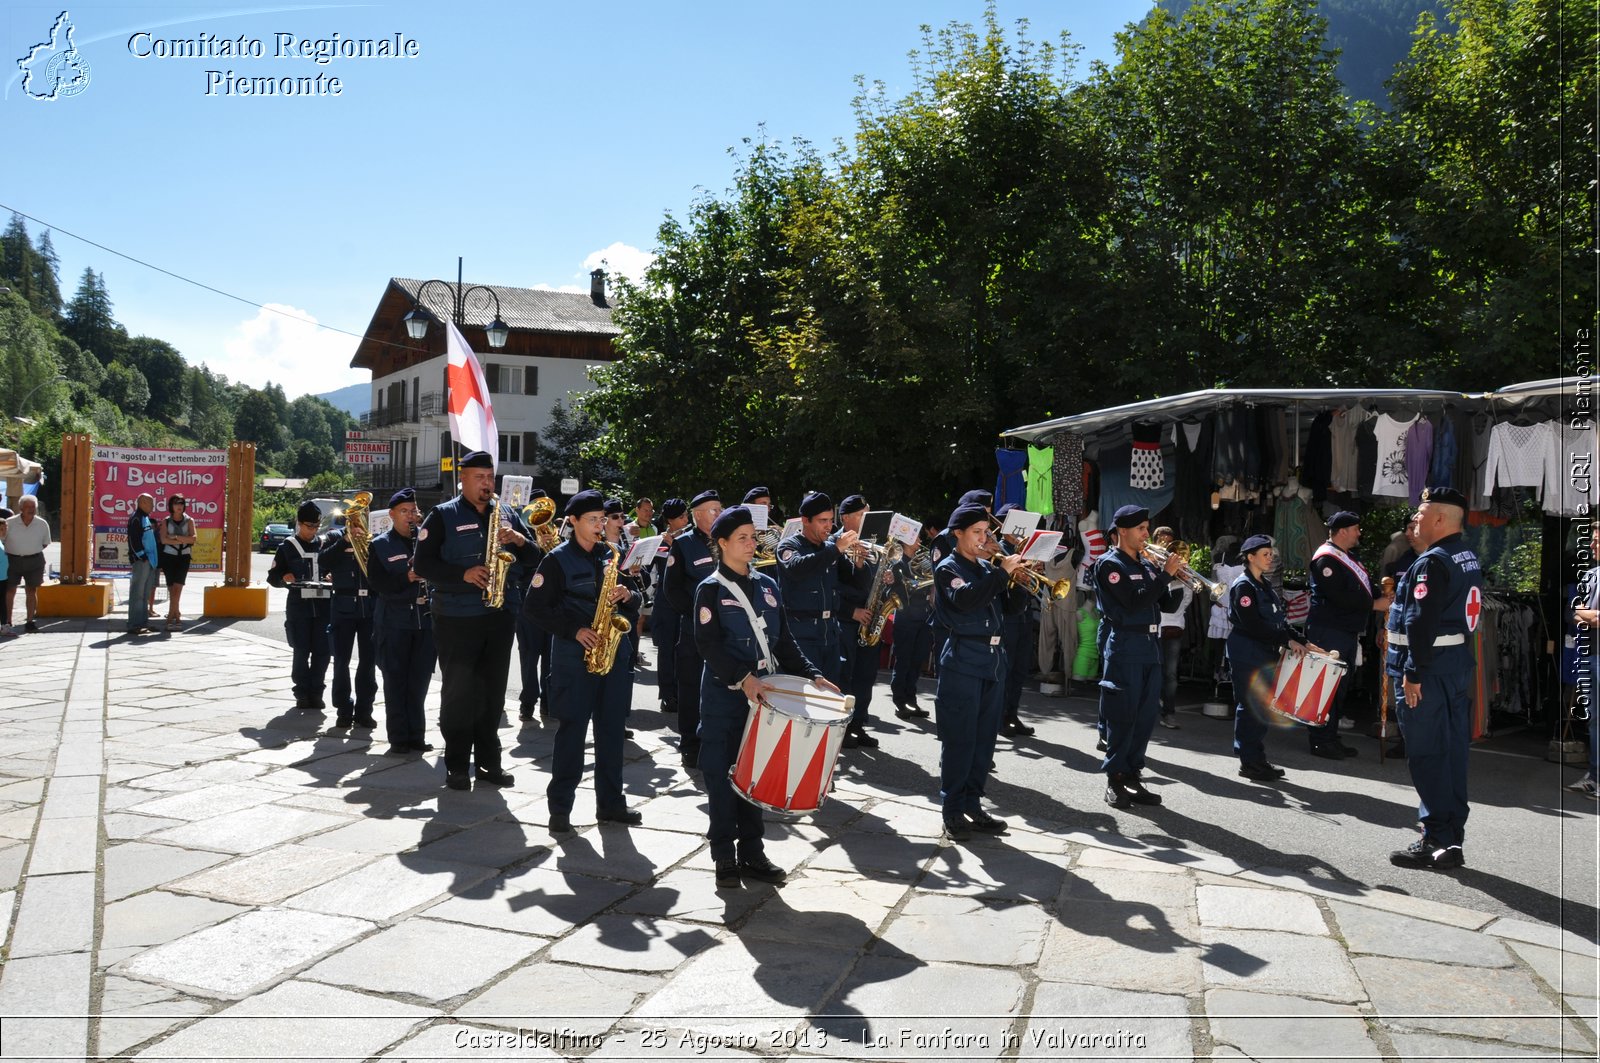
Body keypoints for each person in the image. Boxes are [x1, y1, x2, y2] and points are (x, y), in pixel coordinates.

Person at [693, 505, 833, 886]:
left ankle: (753, 854)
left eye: (753, 537)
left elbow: (784, 642)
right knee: (722, 781)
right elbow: (708, 645)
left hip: (764, 700)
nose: (752, 544)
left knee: (753, 780)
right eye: (742, 538)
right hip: (725, 699)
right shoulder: (710, 589)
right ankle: (723, 856)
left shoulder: (768, 585)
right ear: (721, 544)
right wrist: (743, 679)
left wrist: (814, 676)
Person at [413, 450, 540, 791]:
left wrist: (520, 540)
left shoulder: (507, 513)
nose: (487, 484)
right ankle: (456, 765)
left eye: (490, 478)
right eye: (480, 478)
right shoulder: (442, 516)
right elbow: (423, 564)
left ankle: (489, 763)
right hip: (456, 617)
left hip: (499, 614)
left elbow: (534, 559)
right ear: (463, 479)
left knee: (493, 693)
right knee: (459, 692)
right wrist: (463, 573)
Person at [524, 489, 643, 832]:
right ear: (573, 521)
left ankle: (611, 804)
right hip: (574, 658)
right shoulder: (556, 560)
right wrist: (573, 630)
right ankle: (560, 809)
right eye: (592, 520)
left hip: (613, 656)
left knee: (611, 735)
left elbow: (635, 596)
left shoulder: (610, 555)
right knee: (572, 733)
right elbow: (535, 608)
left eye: (602, 520)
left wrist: (628, 594)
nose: (599, 526)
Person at [1390, 486, 1483, 870]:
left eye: (1422, 513)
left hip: (1427, 673)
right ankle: (1451, 839)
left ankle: (1436, 839)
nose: (1417, 519)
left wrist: (1412, 673)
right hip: (1452, 667)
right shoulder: (1464, 556)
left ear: (1441, 519)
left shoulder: (1432, 562)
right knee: (1451, 754)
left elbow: (1420, 622)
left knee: (1428, 755)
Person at [931, 502, 1024, 840]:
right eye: (977, 533)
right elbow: (966, 599)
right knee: (960, 739)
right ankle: (952, 810)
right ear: (958, 534)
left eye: (986, 532)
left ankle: (973, 804)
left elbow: (1012, 608)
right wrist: (1002, 574)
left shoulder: (987, 569)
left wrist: (1019, 580)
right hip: (963, 659)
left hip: (991, 660)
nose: (985, 539)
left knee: (984, 741)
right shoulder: (947, 568)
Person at [1094, 506, 1183, 808]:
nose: (1147, 534)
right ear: (1123, 531)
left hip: (1150, 645)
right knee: (1123, 716)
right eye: (1142, 529)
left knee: (1145, 717)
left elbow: (1167, 604)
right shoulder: (1109, 565)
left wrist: (1178, 578)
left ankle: (1133, 774)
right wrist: (1164, 575)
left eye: (1147, 528)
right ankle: (1114, 779)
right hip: (1125, 645)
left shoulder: (1147, 566)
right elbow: (1132, 603)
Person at [1228, 535, 1324, 782]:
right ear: (1250, 557)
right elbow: (1253, 625)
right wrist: (1286, 641)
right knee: (1251, 707)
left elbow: (1279, 622)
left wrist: (1303, 641)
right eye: (1265, 554)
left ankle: (1256, 758)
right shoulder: (1244, 586)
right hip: (1248, 652)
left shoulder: (1264, 585)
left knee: (1260, 707)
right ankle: (1249, 761)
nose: (1270, 558)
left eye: (1271, 554)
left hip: (1263, 652)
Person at [1306, 511, 1390, 758]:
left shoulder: (1348, 557)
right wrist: (1375, 605)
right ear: (1342, 531)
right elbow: (1339, 596)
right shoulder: (1326, 560)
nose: (1358, 533)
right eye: (1355, 528)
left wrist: (1381, 596)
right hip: (1328, 631)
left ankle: (1330, 735)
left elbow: (1363, 586)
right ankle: (1320, 740)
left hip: (1344, 631)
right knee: (1326, 686)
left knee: (1340, 686)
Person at [367, 489, 436, 755]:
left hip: (424, 623)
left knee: (419, 682)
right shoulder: (381, 545)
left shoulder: (427, 541)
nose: (410, 516)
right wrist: (406, 578)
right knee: (395, 681)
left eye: (413, 511)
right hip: (394, 622)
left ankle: (416, 735)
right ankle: (398, 737)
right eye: (404, 511)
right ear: (392, 515)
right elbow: (377, 583)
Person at [664, 490, 722, 767]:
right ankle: (690, 743)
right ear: (697, 515)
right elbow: (672, 589)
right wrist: (698, 614)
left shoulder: (727, 541)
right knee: (690, 688)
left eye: (720, 509)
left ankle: (716, 741)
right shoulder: (684, 544)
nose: (718, 515)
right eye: (713, 510)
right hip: (694, 630)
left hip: (726, 632)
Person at [776, 491, 857, 689]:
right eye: (822, 521)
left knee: (831, 696)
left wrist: (861, 564)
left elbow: (855, 582)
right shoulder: (788, 545)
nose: (829, 526)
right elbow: (797, 568)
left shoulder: (830, 547)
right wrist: (836, 550)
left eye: (830, 520)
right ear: (805, 520)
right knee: (803, 697)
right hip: (801, 635)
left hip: (830, 634)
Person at [266, 500, 333, 709]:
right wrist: (283, 577)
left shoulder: (324, 544)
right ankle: (301, 692)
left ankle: (317, 691)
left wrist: (332, 576)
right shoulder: (287, 547)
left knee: (323, 651)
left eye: (315, 526)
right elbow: (272, 577)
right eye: (308, 526)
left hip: (323, 607)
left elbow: (335, 567)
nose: (312, 531)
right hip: (299, 607)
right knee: (301, 650)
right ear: (299, 523)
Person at [320, 512, 378, 730]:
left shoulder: (373, 539)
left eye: (362, 516)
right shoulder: (335, 537)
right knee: (341, 662)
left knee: (368, 663)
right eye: (354, 517)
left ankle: (365, 711)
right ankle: (343, 710)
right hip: (343, 605)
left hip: (369, 607)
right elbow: (323, 560)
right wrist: (345, 539)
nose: (357, 521)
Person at [834, 494, 882, 749]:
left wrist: (887, 577)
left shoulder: (873, 544)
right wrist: (850, 611)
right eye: (863, 514)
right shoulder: (835, 544)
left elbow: (871, 580)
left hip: (870, 617)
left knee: (865, 675)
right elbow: (831, 587)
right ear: (846, 518)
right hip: (847, 618)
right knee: (846, 676)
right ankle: (841, 727)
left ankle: (858, 724)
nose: (868, 519)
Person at [992, 504, 1036, 739]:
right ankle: (999, 717)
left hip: (1024, 613)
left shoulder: (1024, 550)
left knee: (1020, 669)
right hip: (1006, 616)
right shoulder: (997, 551)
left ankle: (1012, 713)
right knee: (1005, 669)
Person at [890, 522, 937, 719]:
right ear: (907, 541)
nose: (920, 542)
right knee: (904, 661)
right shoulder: (897, 563)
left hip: (923, 615)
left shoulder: (923, 560)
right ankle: (900, 701)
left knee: (917, 661)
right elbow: (897, 588)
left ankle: (911, 700)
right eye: (916, 539)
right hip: (906, 615)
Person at [515, 489, 554, 722]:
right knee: (528, 656)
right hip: (527, 601)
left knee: (551, 656)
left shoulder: (555, 534)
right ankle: (528, 702)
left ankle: (548, 702)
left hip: (551, 603)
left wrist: (553, 547)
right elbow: (518, 567)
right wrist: (537, 547)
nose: (541, 517)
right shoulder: (521, 534)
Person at [651, 498, 690, 714]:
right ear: (670, 521)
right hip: (666, 601)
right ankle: (667, 695)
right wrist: (674, 544)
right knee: (667, 649)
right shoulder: (661, 542)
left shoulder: (691, 539)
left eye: (686, 516)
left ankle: (683, 691)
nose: (686, 520)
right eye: (682, 517)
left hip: (684, 600)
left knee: (684, 649)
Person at [1152, 527, 1193, 730]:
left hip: (1174, 626)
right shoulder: (1151, 566)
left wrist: (1180, 578)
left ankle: (1168, 712)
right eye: (1161, 541)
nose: (1165, 547)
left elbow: (1183, 601)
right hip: (1153, 626)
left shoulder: (1182, 570)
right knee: (1151, 671)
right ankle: (1149, 709)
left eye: (1168, 542)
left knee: (1170, 673)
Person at [4, 496, 51, 634]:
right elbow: (3, 539)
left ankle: (30, 621)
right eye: (28, 507)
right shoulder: (10, 522)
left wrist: (30, 551)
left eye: (33, 507)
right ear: (21, 508)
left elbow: (45, 543)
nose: (31, 509)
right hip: (12, 560)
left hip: (34, 560)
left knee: (31, 590)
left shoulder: (42, 523)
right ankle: (8, 621)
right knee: (10, 590)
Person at [157, 496, 197, 630]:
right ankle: (176, 613)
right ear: (171, 506)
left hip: (184, 557)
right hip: (169, 556)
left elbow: (193, 539)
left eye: (181, 503)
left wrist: (174, 537)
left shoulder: (190, 520)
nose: (179, 506)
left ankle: (171, 616)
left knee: (178, 587)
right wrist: (182, 540)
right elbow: (163, 540)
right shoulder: (166, 521)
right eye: (176, 503)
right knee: (171, 587)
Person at [124, 493, 159, 636]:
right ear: (142, 503)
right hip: (141, 561)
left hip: (150, 561)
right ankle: (134, 624)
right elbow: (133, 540)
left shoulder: (145, 518)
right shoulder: (136, 518)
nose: (153, 506)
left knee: (145, 593)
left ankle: (143, 622)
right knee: (137, 593)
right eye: (150, 503)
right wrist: (141, 555)